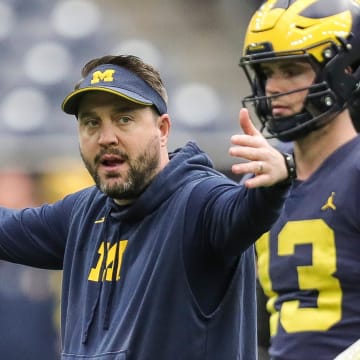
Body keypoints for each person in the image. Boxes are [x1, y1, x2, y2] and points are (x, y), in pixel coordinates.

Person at [0, 54, 294, 360]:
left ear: (163, 129)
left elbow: (244, 213)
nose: (106, 137)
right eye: (91, 123)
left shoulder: (198, 203)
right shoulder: (84, 213)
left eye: (124, 119)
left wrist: (273, 185)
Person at [239, 0, 360, 359]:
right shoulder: (260, 181)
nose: (273, 87)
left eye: (292, 70)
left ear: (346, 70)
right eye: (266, 71)